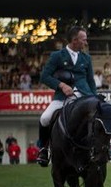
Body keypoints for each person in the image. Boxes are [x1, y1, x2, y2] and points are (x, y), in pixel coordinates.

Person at [37, 26, 97, 167]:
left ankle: (105, 149)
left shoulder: (86, 58)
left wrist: (95, 98)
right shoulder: (57, 56)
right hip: (63, 97)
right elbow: (44, 76)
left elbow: (91, 81)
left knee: (101, 116)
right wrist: (61, 85)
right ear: (75, 40)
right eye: (84, 40)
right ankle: (44, 149)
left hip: (84, 96)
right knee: (44, 118)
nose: (86, 42)